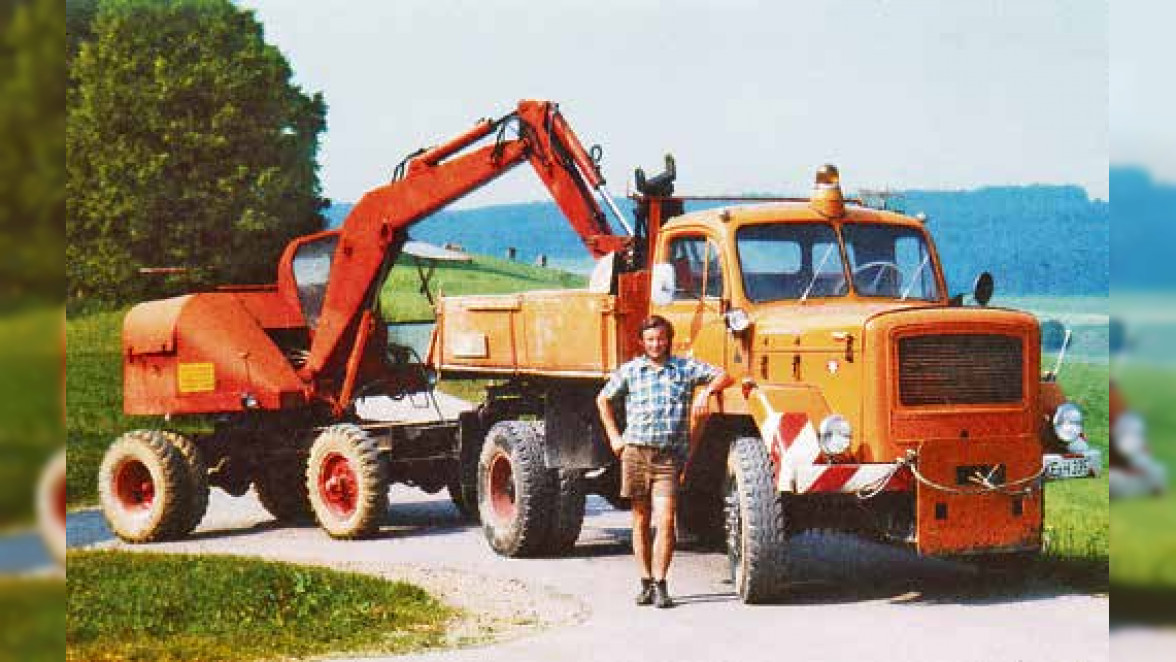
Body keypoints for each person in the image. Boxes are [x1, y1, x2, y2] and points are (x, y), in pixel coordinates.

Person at [596, 315, 732, 608]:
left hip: (668, 458)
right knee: (641, 520)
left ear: (669, 339)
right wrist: (614, 438)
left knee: (667, 520)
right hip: (635, 453)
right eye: (650, 340)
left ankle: (661, 583)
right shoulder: (631, 371)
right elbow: (603, 399)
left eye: (660, 338)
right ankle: (644, 581)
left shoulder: (684, 369)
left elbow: (725, 375)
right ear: (642, 343)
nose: (656, 344)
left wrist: (707, 392)